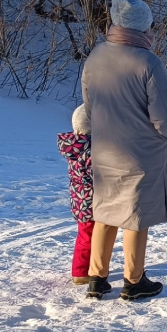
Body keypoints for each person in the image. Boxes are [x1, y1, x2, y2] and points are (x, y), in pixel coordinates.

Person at [80, 0, 167, 301]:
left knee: (106, 212)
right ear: (145, 27)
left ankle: (97, 278)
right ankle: (134, 280)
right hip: (142, 154)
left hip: (105, 150)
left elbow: (90, 107)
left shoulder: (96, 57)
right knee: (135, 216)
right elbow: (164, 117)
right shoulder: (148, 62)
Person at [56, 104, 95, 285]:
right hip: (92, 200)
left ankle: (84, 269)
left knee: (84, 235)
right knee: (89, 237)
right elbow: (95, 174)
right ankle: (81, 271)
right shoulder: (90, 149)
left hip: (79, 199)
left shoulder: (74, 147)